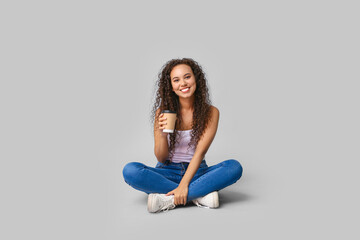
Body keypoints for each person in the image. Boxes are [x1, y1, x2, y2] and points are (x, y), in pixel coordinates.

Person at [122, 58, 243, 213]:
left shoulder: (211, 112)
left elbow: (199, 153)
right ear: (171, 87)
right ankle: (199, 196)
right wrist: (162, 134)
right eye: (176, 80)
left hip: (198, 171)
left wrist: (184, 185)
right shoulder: (162, 112)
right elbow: (161, 158)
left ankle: (168, 199)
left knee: (234, 167)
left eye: (187, 77)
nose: (183, 83)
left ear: (196, 79)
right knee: (130, 170)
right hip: (167, 172)